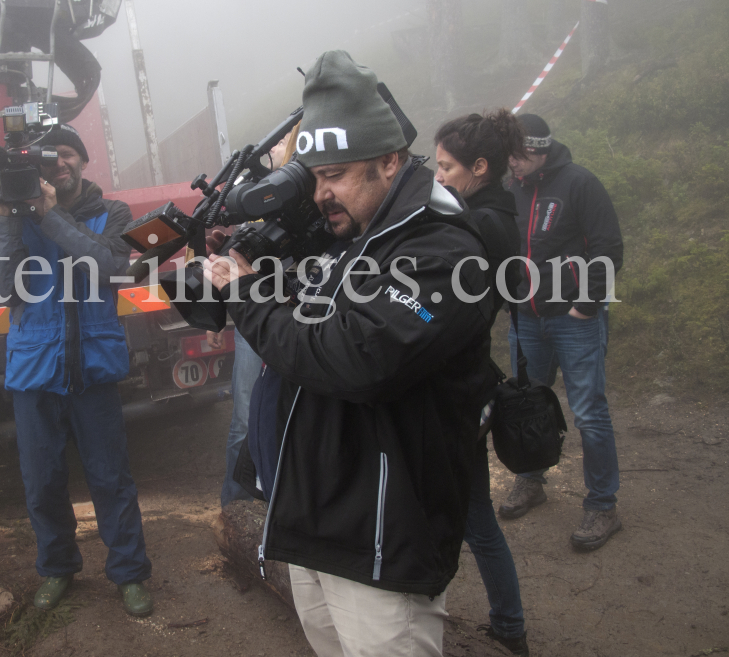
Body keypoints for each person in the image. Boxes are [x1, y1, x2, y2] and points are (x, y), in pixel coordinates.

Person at [205, 51, 495, 657]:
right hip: (316, 524)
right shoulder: (348, 239)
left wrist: (249, 295)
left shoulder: (443, 250)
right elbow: (304, 324)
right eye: (314, 177)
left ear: (390, 161)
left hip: (384, 538)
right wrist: (252, 277)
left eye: (335, 174)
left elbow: (353, 360)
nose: (321, 194)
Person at [0, 123, 153, 616]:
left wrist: (51, 214)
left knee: (111, 479)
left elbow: (114, 268)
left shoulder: (110, 213)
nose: (59, 164)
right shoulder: (13, 217)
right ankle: (57, 570)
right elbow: (0, 285)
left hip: (93, 370)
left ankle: (130, 574)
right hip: (35, 372)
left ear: (81, 160)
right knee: (42, 484)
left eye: (67, 155)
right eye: (48, 159)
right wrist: (1, 214)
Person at [500, 113, 624, 552]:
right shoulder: (510, 189)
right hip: (526, 318)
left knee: (589, 411)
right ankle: (531, 480)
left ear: (537, 149)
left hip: (574, 320)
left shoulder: (579, 183)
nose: (510, 164)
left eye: (516, 156)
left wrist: (586, 305)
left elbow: (608, 246)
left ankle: (602, 503)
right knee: (527, 403)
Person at [433, 111, 529, 656]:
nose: (440, 176)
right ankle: (508, 624)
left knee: (475, 519)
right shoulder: (485, 213)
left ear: (481, 167)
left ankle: (510, 628)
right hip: (467, 384)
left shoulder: (482, 225)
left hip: (460, 392)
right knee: (472, 516)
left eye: (447, 167)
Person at [218, 123, 300, 507]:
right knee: (245, 422)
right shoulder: (254, 194)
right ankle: (235, 512)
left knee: (287, 419)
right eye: (279, 140)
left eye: (286, 140)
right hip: (254, 315)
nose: (278, 146)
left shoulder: (308, 195)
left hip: (295, 317)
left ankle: (279, 512)